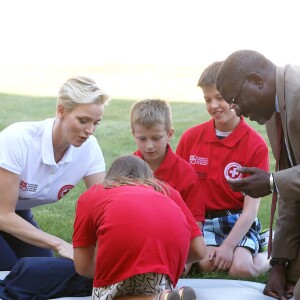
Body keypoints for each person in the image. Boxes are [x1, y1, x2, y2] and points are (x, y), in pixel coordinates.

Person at [0, 76, 109, 271]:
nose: (90, 130)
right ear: (61, 111)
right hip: (4, 212)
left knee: (42, 270)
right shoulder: (17, 139)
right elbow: (3, 215)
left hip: (15, 211)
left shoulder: (89, 148)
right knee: (8, 273)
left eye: (96, 123)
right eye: (83, 120)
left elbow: (105, 206)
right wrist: (60, 244)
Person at [216, 50, 300, 299]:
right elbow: (291, 188)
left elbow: (282, 182)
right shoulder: (276, 110)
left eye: (235, 101)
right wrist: (279, 264)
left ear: (256, 80)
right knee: (289, 282)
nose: (238, 112)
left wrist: (273, 181)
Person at [176, 61, 270, 278]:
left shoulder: (255, 146)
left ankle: (270, 255)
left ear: (236, 95)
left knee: (241, 268)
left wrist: (228, 246)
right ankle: (240, 247)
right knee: (209, 263)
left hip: (239, 220)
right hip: (203, 221)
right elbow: (178, 193)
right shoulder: (191, 138)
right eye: (207, 99)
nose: (213, 105)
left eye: (220, 97)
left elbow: (250, 211)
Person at [73, 155, 206, 300]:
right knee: (150, 287)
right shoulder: (167, 191)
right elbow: (199, 250)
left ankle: (157, 298)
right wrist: (166, 262)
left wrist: (116, 270)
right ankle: (162, 295)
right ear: (149, 177)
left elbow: (82, 266)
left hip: (119, 255)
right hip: (161, 269)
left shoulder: (94, 194)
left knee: (106, 296)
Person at [130, 98, 205, 226]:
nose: (149, 146)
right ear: (133, 135)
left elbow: (195, 223)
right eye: (142, 139)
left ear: (169, 134)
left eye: (156, 138)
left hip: (174, 237)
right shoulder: (127, 168)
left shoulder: (185, 173)